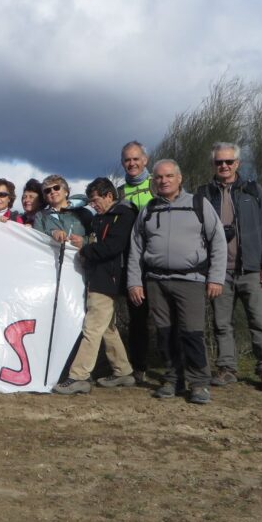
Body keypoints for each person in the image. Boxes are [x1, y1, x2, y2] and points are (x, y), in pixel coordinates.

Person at [127, 160, 226, 404]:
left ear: (179, 178)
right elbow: (135, 249)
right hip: (155, 281)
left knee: (192, 333)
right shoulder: (148, 209)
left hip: (191, 280)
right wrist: (134, 282)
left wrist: (215, 277)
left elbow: (218, 242)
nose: (164, 181)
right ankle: (173, 379)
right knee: (164, 334)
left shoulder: (198, 204)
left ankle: (199, 383)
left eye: (169, 176)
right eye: (159, 177)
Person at [197, 143, 262, 392]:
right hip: (219, 272)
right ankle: (227, 368)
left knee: (260, 322)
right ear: (213, 165)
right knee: (222, 323)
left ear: (238, 164)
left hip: (252, 269)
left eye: (229, 162)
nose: (223, 166)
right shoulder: (203, 193)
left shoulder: (254, 190)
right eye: (218, 162)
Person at [54, 178, 137, 394]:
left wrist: (85, 249)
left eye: (96, 200)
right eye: (91, 201)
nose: (94, 205)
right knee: (107, 328)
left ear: (109, 195)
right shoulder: (102, 217)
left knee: (91, 328)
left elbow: (113, 247)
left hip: (107, 278)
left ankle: (78, 376)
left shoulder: (124, 215)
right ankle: (123, 371)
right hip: (101, 276)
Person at [117, 141, 154, 383]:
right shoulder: (119, 192)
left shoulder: (159, 183)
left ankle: (173, 366)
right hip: (133, 263)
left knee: (166, 317)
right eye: (127, 160)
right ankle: (139, 367)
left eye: (136, 159)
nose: (132, 164)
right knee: (138, 319)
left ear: (145, 160)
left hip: (160, 260)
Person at [34, 174, 92, 242]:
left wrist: (83, 242)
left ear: (66, 192)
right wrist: (52, 232)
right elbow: (37, 238)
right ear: (45, 197)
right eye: (47, 191)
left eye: (56, 188)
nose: (52, 191)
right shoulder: (40, 216)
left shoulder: (84, 213)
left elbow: (95, 238)